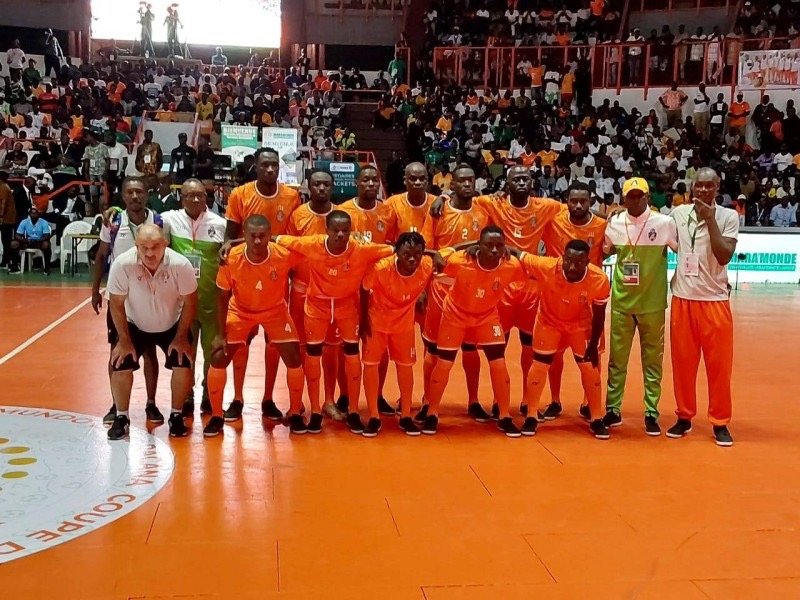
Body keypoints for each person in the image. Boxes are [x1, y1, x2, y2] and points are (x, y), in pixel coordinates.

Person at [274, 211, 394, 434]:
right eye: (336, 230)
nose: (340, 234)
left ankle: (354, 411)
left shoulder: (361, 249)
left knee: (352, 355)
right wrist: (233, 243)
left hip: (346, 307)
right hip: (316, 307)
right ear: (326, 230)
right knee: (313, 355)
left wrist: (434, 254)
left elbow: (395, 249)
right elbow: (277, 239)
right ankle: (316, 412)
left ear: (351, 231)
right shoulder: (312, 244)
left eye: (345, 230)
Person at [422, 226, 524, 438]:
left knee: (498, 362)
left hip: (487, 316)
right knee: (444, 363)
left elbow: (534, 266)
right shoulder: (460, 261)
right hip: (455, 315)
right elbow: (439, 256)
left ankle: (504, 415)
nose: (494, 250)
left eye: (499, 246)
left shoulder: (511, 265)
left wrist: (515, 251)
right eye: (489, 245)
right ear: (479, 246)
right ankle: (432, 412)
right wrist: (464, 246)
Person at [221, 147, 300, 420]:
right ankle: (237, 398)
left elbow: (293, 239)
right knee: (241, 340)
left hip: (276, 277)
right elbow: (230, 239)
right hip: (246, 274)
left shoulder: (291, 196)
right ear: (255, 165)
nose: (270, 169)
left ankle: (268, 398)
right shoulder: (240, 194)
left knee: (274, 342)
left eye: (274, 165)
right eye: (265, 164)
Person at [208, 215, 305, 436]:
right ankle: (216, 416)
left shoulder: (283, 254)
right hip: (240, 311)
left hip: (275, 311)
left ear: (270, 236)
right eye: (252, 236)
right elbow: (222, 295)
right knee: (218, 356)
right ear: (244, 235)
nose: (258, 241)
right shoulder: (231, 258)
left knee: (294, 357)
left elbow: (308, 246)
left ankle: (295, 414)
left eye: (263, 236)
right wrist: (220, 334)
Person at [512, 240, 612, 439]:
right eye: (568, 260)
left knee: (589, 367)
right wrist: (474, 247)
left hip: (580, 325)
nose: (572, 266)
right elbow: (516, 252)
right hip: (548, 323)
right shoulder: (547, 266)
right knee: (539, 365)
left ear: (587, 262)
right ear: (562, 258)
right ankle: (531, 415)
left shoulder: (599, 279)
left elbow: (599, 314)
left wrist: (593, 345)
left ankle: (596, 418)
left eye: (579, 262)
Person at [106, 224, 197, 440]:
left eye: (155, 246)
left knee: (183, 361)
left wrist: (181, 337)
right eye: (143, 247)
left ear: (165, 244)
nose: (149, 253)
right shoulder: (122, 264)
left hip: (171, 323)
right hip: (135, 323)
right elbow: (115, 304)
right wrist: (124, 341)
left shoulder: (181, 265)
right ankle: (121, 417)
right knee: (120, 362)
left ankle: (176, 415)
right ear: (135, 245)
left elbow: (191, 302)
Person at [667, 168, 738, 446]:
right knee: (682, 364)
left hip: (715, 301)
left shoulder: (728, 216)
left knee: (719, 367)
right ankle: (684, 416)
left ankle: (720, 421)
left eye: (710, 185)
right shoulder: (678, 214)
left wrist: (710, 219)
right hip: (683, 299)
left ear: (717, 187)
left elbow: (724, 255)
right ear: (692, 187)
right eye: (699, 185)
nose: (704, 190)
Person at [602, 178, 678, 435]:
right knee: (617, 360)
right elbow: (605, 251)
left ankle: (651, 412)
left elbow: (684, 251)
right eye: (630, 196)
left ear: (648, 197)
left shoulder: (664, 223)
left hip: (652, 304)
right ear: (624, 199)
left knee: (653, 362)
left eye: (639, 195)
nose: (635, 200)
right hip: (622, 303)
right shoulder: (614, 223)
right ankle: (613, 409)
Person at [417, 165, 491, 424]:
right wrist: (423, 288)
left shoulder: (483, 212)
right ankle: (428, 401)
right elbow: (426, 250)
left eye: (471, 180)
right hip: (441, 287)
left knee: (471, 348)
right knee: (433, 348)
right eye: (462, 180)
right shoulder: (438, 211)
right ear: (453, 184)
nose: (467, 184)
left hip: (472, 289)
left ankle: (474, 400)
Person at [93, 177, 164, 426]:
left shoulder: (158, 221)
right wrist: (95, 291)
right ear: (122, 196)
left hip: (149, 298)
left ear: (147, 194)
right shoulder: (112, 221)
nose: (135, 196)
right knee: (117, 351)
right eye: (130, 192)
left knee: (150, 352)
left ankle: (151, 403)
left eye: (139, 191)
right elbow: (101, 255)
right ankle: (117, 404)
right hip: (119, 300)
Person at [539, 182, 606, 418]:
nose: (578, 205)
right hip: (555, 300)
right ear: (566, 200)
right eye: (573, 200)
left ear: (591, 202)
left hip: (588, 301)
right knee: (554, 355)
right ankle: (555, 400)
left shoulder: (602, 225)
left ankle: (589, 403)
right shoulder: (553, 220)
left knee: (591, 355)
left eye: (583, 201)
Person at [160, 179, 226, 417]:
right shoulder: (169, 220)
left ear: (206, 197)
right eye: (190, 195)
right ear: (182, 198)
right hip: (183, 303)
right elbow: (142, 219)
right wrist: (113, 212)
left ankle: (209, 394)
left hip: (211, 301)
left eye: (200, 195)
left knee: (213, 352)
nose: (196, 199)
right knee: (184, 351)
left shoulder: (220, 224)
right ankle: (186, 395)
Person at [361, 232, 434, 436]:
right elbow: (364, 289)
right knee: (371, 365)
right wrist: (363, 320)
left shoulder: (427, 265)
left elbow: (446, 255)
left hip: (403, 325)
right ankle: (374, 416)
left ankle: (406, 416)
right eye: (406, 254)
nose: (412, 259)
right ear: (397, 253)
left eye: (417, 254)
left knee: (405, 367)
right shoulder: (381, 268)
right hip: (377, 322)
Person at [7, 207, 52, 274]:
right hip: (28, 242)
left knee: (46, 244)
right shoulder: (24, 221)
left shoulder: (44, 222)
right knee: (13, 243)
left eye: (35, 213)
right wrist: (24, 240)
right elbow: (17, 235)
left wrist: (39, 240)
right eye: (32, 213)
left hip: (39, 242)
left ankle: (47, 268)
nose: (33, 215)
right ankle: (14, 267)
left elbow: (47, 235)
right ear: (29, 214)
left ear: (38, 214)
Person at [0, 172, 15, 269]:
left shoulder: (3, 188)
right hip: (7, 218)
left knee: (6, 241)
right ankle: (6, 261)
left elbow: (3, 203)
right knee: (5, 240)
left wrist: (1, 216)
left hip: (6, 219)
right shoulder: (5, 187)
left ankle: (6, 261)